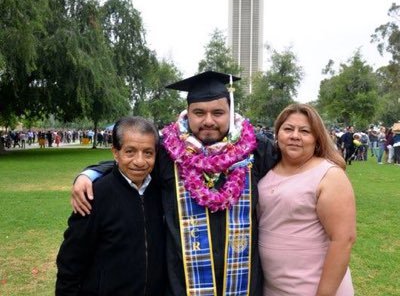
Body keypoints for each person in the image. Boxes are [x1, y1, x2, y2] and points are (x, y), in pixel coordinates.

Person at [71, 71, 276, 296]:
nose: (209, 121)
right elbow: (135, 162)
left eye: (218, 112)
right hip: (182, 286)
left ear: (230, 112)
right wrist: (89, 174)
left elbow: (297, 165)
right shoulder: (169, 151)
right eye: (199, 112)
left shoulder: (256, 150)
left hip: (244, 284)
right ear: (187, 113)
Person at [56, 116, 165, 296]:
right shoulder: (94, 195)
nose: (139, 161)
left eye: (148, 153)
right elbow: (71, 261)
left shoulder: (161, 191)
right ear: (115, 152)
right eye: (130, 152)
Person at [257, 103, 356, 295]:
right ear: (277, 135)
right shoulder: (266, 169)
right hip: (272, 287)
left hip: (313, 288)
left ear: (316, 138)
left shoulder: (328, 175)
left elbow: (343, 240)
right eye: (288, 129)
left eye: (304, 131)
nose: (295, 136)